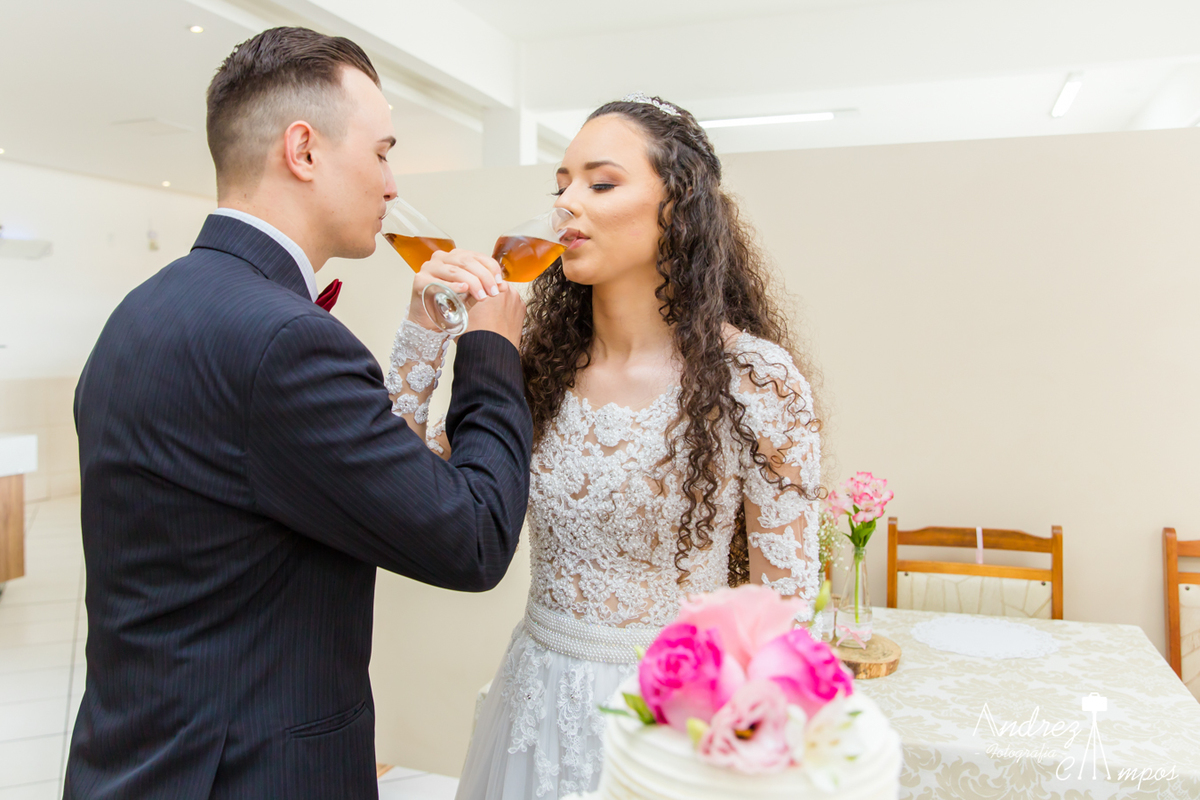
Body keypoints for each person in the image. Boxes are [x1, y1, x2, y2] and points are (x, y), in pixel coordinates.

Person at [66, 28, 531, 800]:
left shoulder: (140, 313)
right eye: (381, 151)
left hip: (133, 759)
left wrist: (420, 337)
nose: (391, 184)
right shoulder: (287, 341)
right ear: (304, 150)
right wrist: (491, 351)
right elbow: (471, 537)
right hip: (251, 772)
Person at [389, 94, 823, 800]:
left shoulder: (754, 380)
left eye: (600, 182)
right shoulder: (534, 369)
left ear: (677, 207)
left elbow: (786, 613)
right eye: (560, 184)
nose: (566, 204)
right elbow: (410, 492)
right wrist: (423, 339)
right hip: (535, 705)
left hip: (673, 728)